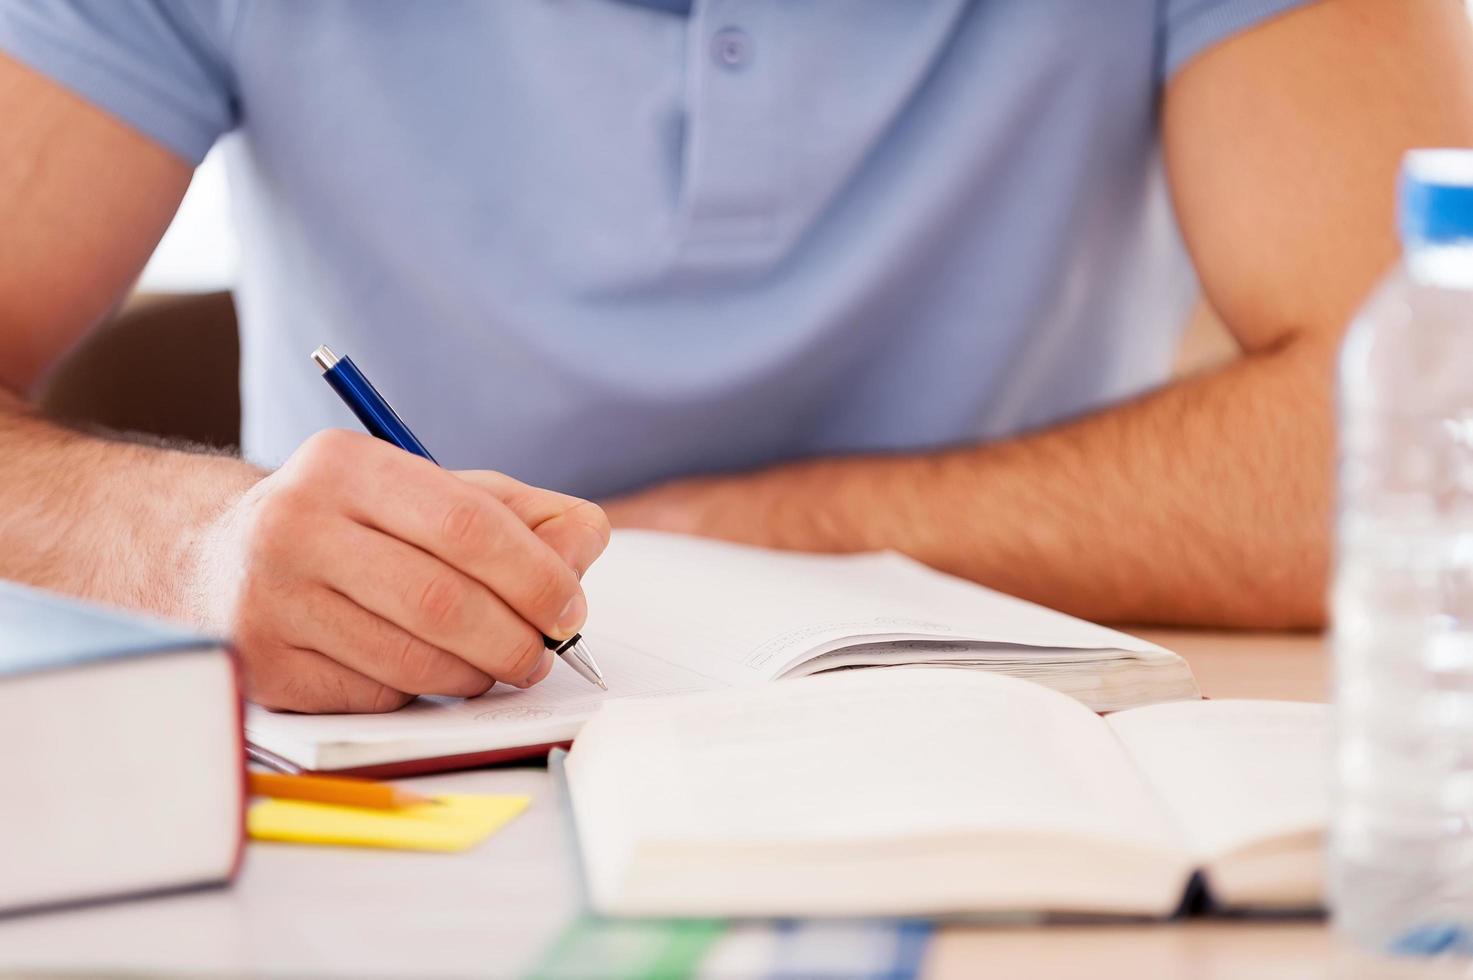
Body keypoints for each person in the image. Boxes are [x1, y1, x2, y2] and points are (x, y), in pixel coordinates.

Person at [1, 1, 1469, 713]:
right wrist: (188, 545)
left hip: (1018, 744)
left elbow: (1429, 419)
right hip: (396, 776)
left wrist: (725, 538)